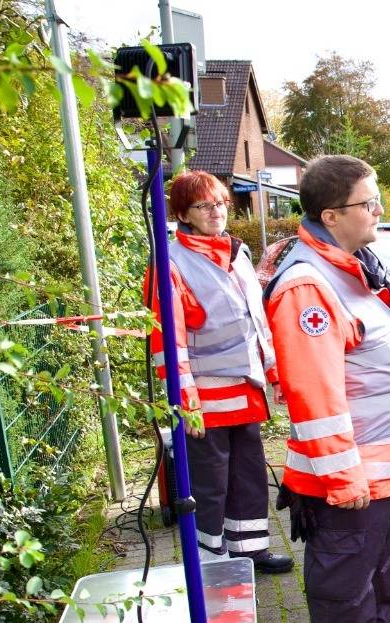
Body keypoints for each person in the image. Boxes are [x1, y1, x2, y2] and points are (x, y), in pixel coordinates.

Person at [265, 155, 390, 621]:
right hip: (351, 481)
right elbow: (314, 397)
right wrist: (342, 477)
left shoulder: (351, 270)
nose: (380, 210)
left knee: (382, 578)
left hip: (374, 477)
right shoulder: (308, 287)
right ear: (331, 216)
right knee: (346, 595)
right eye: (368, 202)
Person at [144, 170, 292, 575]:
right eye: (204, 206)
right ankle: (212, 562)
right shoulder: (170, 263)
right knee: (211, 484)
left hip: (245, 390)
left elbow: (256, 321)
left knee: (248, 475)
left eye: (221, 203)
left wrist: (274, 372)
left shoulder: (236, 253)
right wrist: (184, 399)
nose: (216, 212)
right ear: (183, 214)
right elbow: (166, 339)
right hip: (205, 397)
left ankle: (251, 551)